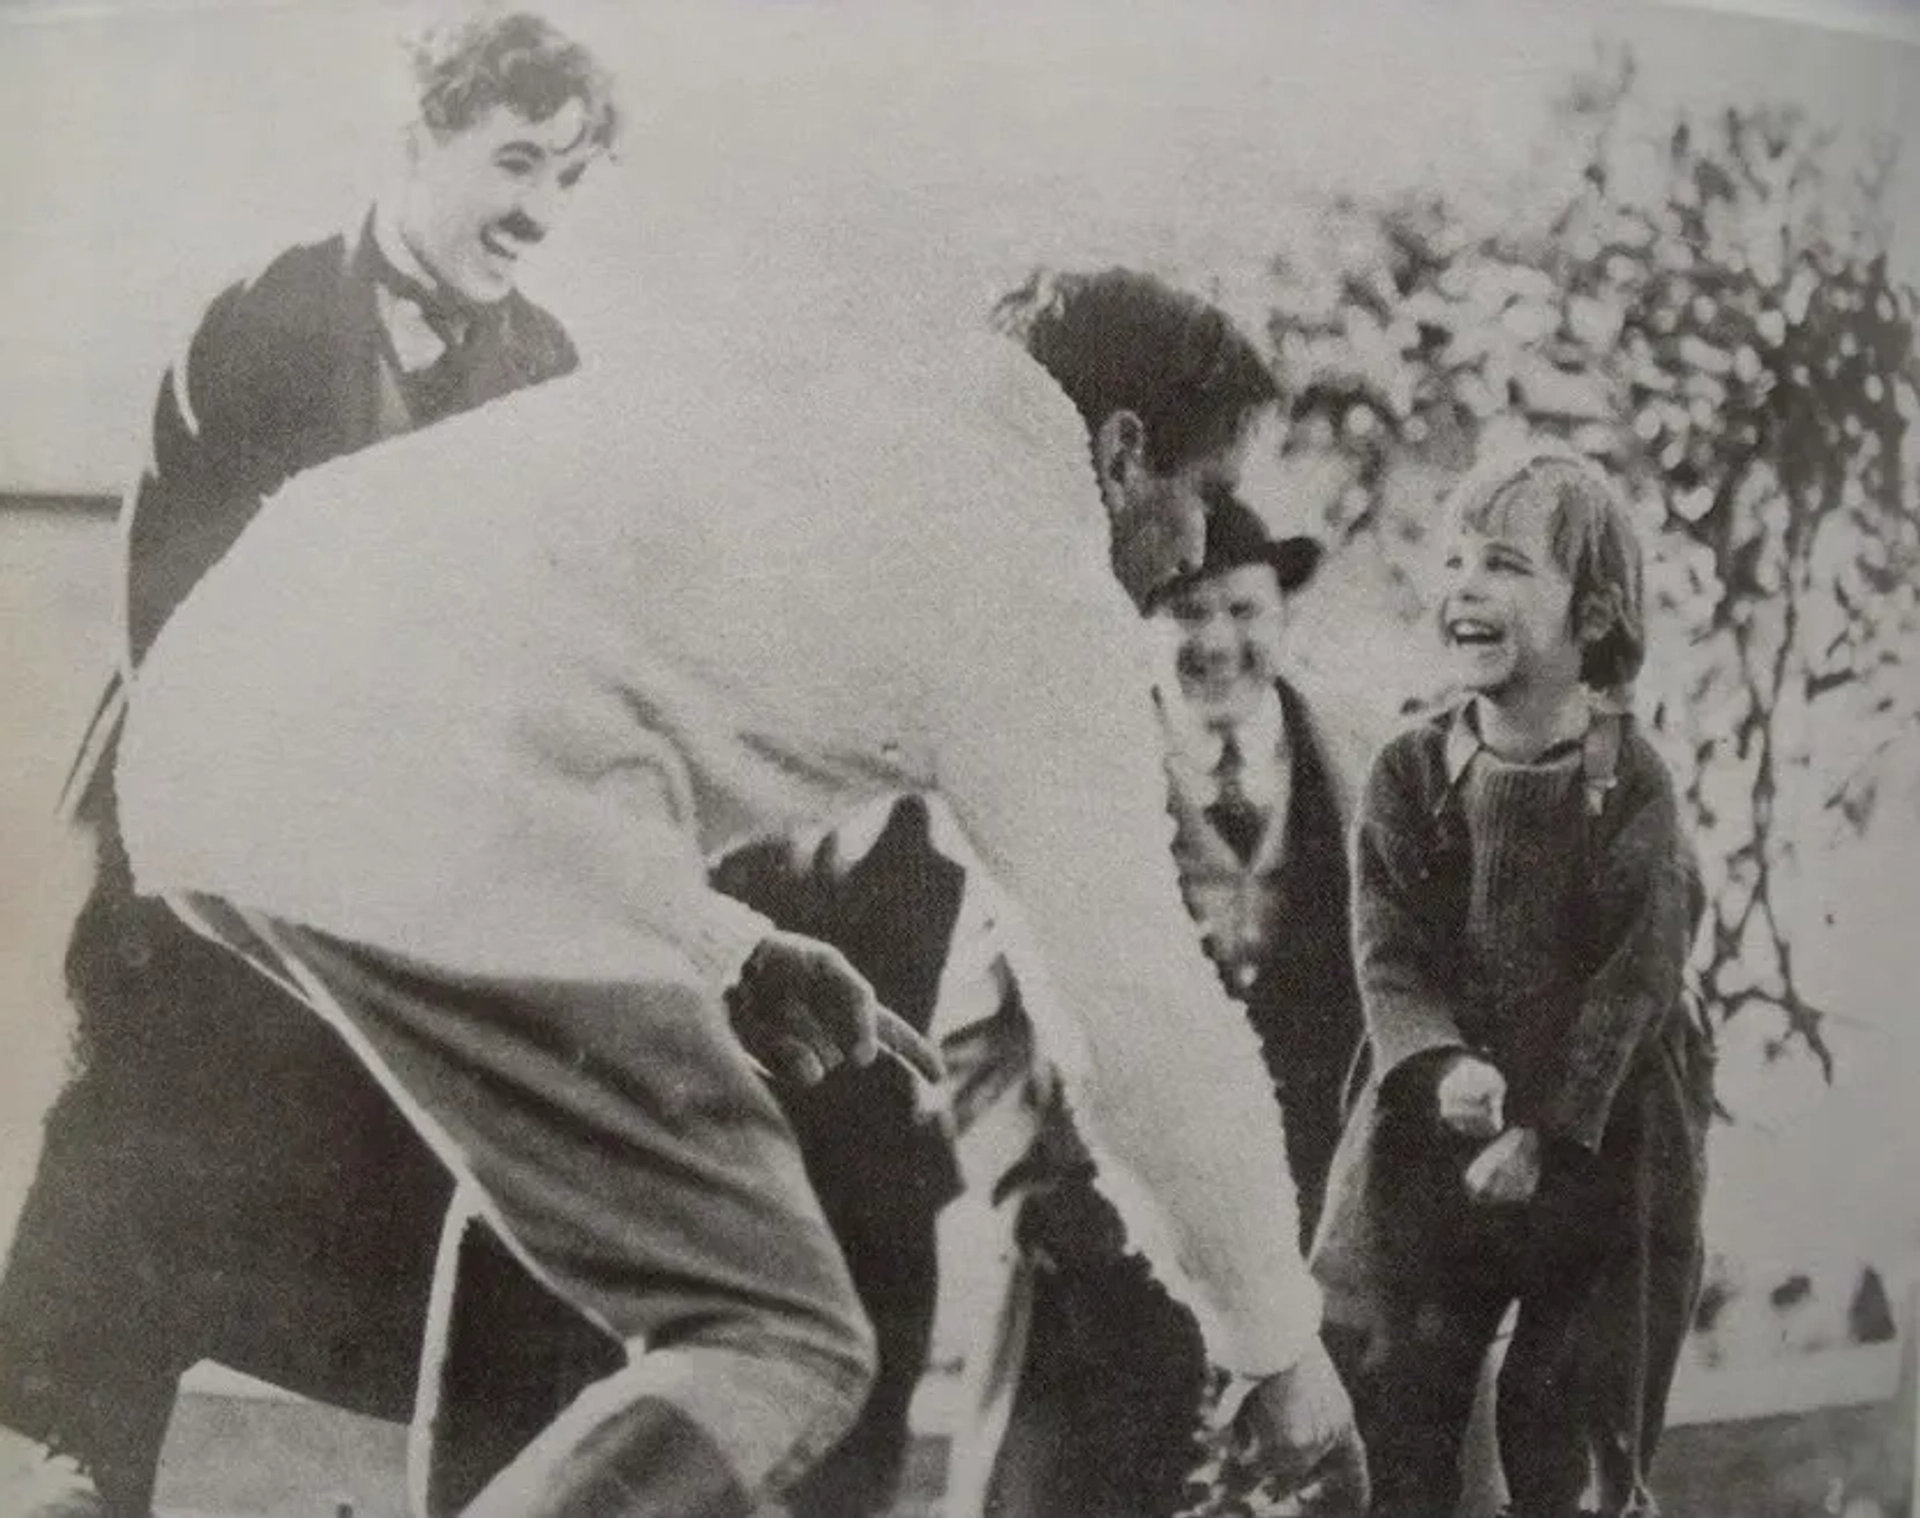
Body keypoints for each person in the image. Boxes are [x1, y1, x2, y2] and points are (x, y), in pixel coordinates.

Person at [109, 267, 1366, 1517]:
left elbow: (562, 671)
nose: (1202, 542)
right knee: (780, 1339)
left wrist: (726, 950)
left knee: (570, 1217)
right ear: (1124, 451)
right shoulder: (1034, 567)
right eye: (1207, 493)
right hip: (417, 777)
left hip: (218, 734)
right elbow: (1134, 1013)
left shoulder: (851, 398)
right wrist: (1273, 1343)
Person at [0, 12, 619, 1514]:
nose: (540, 206)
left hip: (391, 897)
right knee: (114, 1315)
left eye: (571, 175)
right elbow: (193, 643)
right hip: (195, 881)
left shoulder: (550, 367)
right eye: (514, 159)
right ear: (417, 144)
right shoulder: (261, 326)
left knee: (416, 1293)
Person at [1311, 447, 1714, 1518]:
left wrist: (1543, 1127)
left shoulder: (1629, 781)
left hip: (1600, 1127)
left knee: (1572, 1414)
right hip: (1436, 1123)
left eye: (1502, 564)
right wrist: (1435, 1061)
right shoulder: (1409, 769)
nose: (1464, 589)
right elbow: (1386, 942)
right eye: (1452, 563)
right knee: (1386, 1381)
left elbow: (1641, 973)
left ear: (1592, 616)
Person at [1153, 484, 1367, 1249]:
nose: (1216, 644)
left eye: (1243, 611)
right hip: (1132, 1221)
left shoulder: (1365, 763)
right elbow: (987, 1024)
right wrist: (1038, 1192)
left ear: (1284, 615)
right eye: (1186, 611)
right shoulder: (1082, 768)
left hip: (1324, 1206)